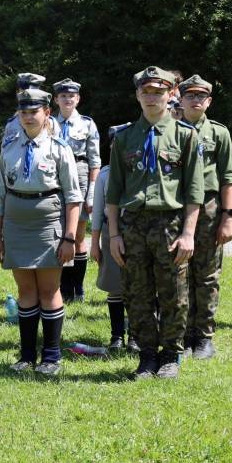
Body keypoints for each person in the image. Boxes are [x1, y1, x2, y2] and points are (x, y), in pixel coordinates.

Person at [106, 66, 204, 380]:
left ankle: (171, 356)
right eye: (146, 91)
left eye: (158, 92)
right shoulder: (124, 138)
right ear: (137, 95)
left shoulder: (185, 136)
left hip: (169, 224)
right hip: (133, 225)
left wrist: (188, 233)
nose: (152, 97)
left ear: (170, 94)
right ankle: (147, 356)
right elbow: (113, 192)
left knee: (174, 292)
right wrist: (113, 235)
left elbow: (194, 191)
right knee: (137, 293)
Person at [0, 88, 82, 376]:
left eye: (34, 111)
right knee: (26, 290)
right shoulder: (9, 149)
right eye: (24, 112)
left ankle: (51, 357)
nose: (28, 117)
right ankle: (27, 355)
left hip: (48, 227)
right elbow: (0, 197)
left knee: (48, 290)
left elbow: (73, 198)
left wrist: (69, 237)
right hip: (16, 227)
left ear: (47, 113)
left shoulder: (59, 149)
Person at [178, 75, 232, 359]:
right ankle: (184, 333)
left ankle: (204, 336)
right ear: (180, 100)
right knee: (180, 273)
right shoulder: (170, 130)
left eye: (201, 96)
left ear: (209, 101)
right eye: (190, 96)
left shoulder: (219, 133)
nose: (195, 100)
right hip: (177, 207)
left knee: (207, 274)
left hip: (210, 209)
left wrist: (228, 218)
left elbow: (228, 178)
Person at [89, 125, 138, 352]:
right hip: (111, 232)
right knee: (114, 286)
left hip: (136, 231)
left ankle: (136, 335)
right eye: (114, 144)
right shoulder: (105, 174)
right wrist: (95, 244)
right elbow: (98, 212)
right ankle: (117, 335)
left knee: (138, 286)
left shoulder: (138, 171)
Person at [52, 79, 100, 303]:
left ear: (78, 98)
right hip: (54, 177)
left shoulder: (87, 124)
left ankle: (77, 288)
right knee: (58, 233)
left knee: (78, 236)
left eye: (71, 96)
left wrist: (91, 192)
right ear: (56, 99)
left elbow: (95, 161)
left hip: (80, 175)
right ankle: (62, 288)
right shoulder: (49, 123)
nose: (67, 99)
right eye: (63, 96)